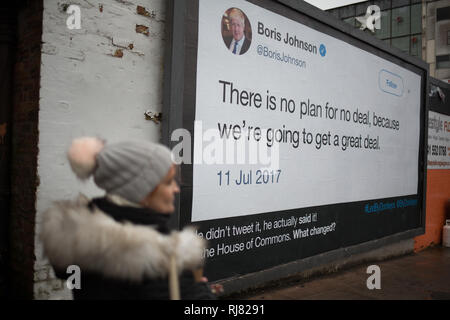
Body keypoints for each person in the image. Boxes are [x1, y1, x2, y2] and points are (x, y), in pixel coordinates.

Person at [40, 137, 217, 299]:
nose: (176, 189)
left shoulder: (74, 235)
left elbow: (76, 281)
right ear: (142, 191)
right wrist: (201, 291)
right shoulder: (164, 258)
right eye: (169, 181)